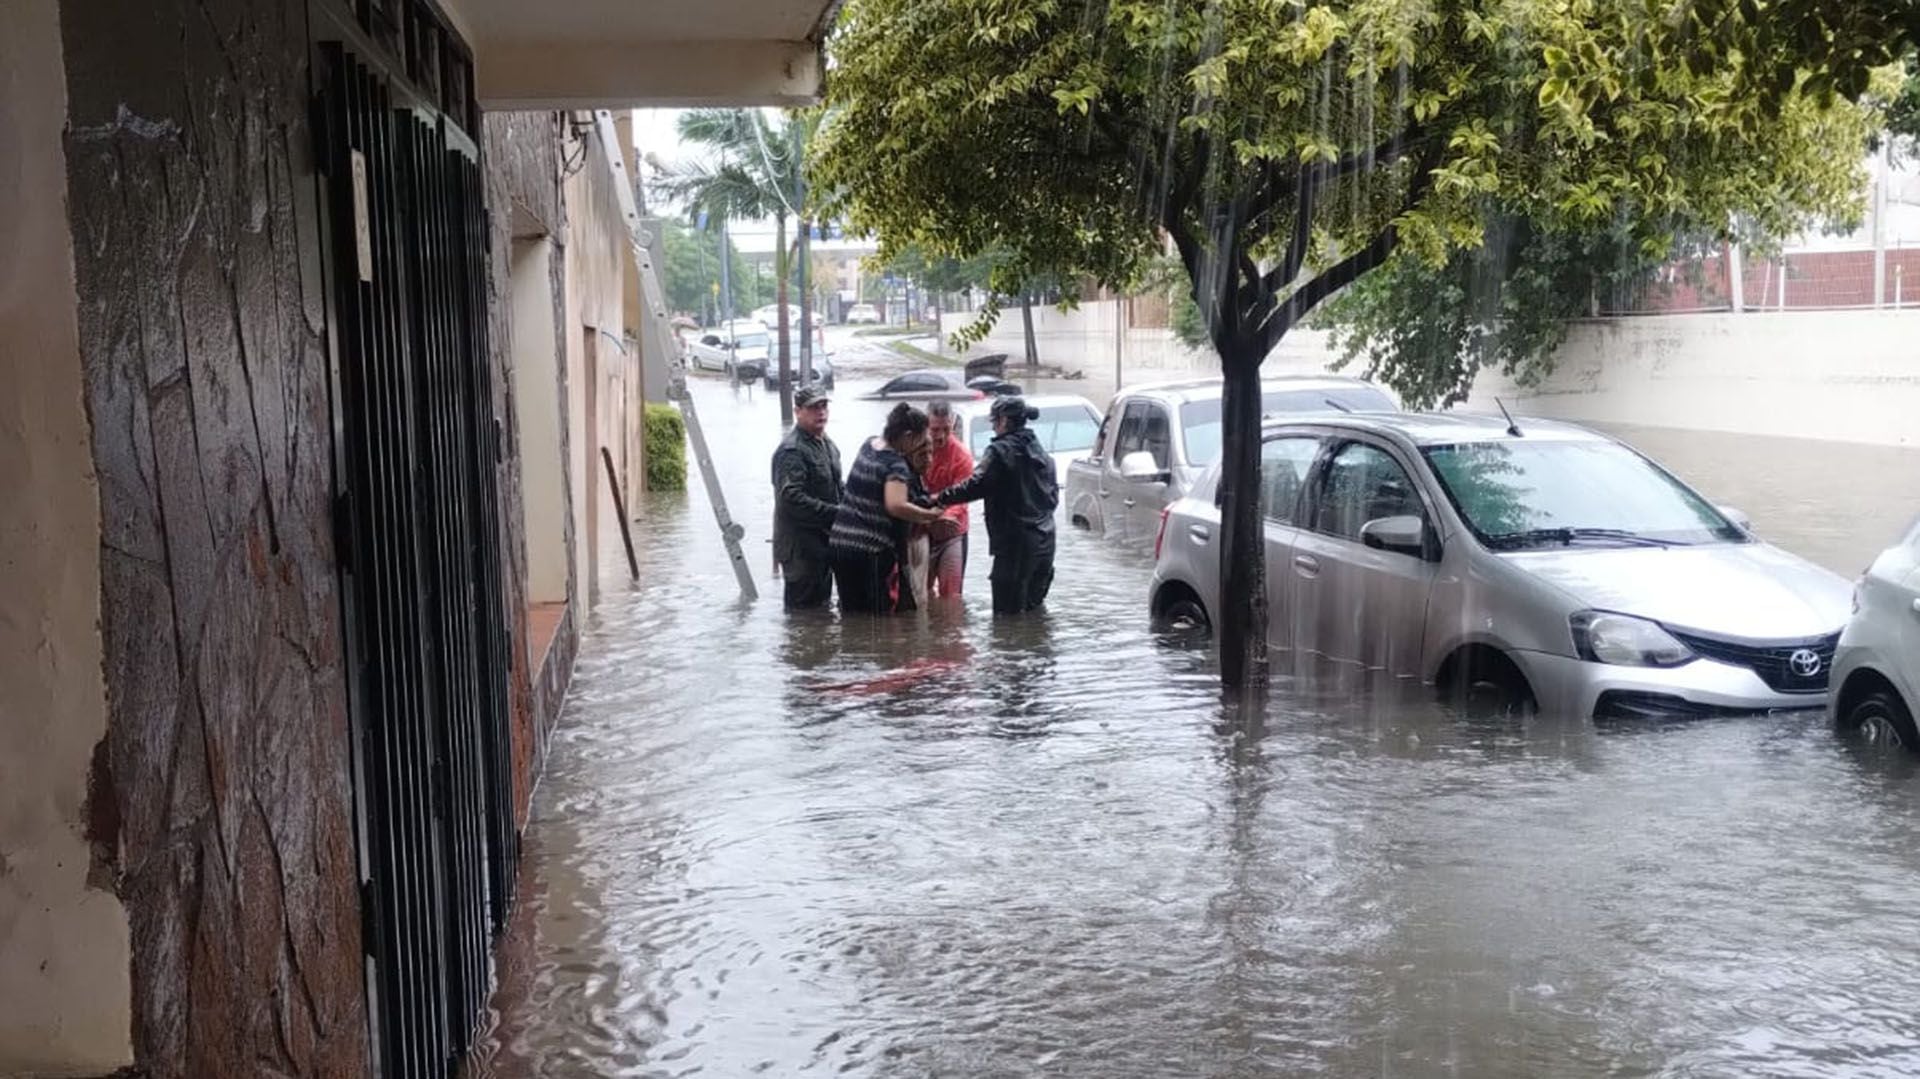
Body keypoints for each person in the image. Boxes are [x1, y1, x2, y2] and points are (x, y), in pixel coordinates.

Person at [936, 395, 1058, 615]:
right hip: (1046, 544)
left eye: (994, 422)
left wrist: (939, 498)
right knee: (1033, 614)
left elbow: (974, 485)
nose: (993, 428)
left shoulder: (1000, 452)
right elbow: (1053, 500)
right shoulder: (1043, 455)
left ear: (1002, 421)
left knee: (1006, 621)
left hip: (1015, 547)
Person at [830, 403, 947, 613]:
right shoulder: (895, 464)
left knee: (851, 616)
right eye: (922, 437)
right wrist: (928, 515)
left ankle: (850, 646)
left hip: (840, 545)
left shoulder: (868, 445)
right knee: (879, 621)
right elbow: (896, 505)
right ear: (908, 436)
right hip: (871, 552)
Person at [771, 385, 843, 609]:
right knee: (803, 616)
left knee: (821, 610)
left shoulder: (826, 443)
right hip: (800, 549)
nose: (820, 412)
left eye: (823, 406)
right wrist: (838, 513)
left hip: (823, 541)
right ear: (798, 411)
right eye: (813, 408)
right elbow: (791, 499)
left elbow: (836, 485)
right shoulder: (791, 451)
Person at [920, 401, 975, 597]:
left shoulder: (961, 456)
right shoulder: (913, 450)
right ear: (925, 425)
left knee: (951, 596)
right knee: (918, 594)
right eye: (935, 430)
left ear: (952, 424)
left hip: (952, 532)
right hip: (921, 529)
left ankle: (951, 627)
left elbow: (963, 497)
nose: (941, 436)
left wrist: (943, 517)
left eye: (946, 429)